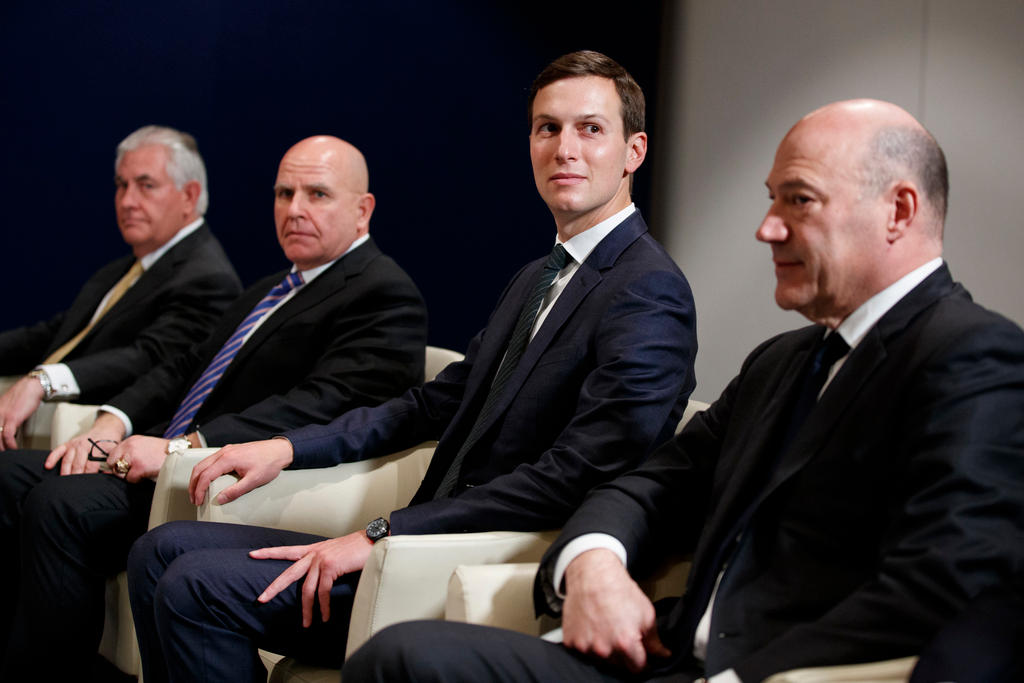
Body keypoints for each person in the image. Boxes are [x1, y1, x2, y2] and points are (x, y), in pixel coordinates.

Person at [343, 99, 1024, 683]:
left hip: (768, 671)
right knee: (401, 655)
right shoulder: (782, 361)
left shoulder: (974, 357)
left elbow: (943, 582)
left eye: (799, 200)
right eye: (771, 198)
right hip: (658, 656)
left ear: (898, 210)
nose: (767, 227)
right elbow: (650, 483)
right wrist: (597, 563)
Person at [126, 50, 698, 683]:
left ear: (634, 151)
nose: (565, 148)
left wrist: (377, 533)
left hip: (465, 561)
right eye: (547, 128)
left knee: (194, 586)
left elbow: (578, 476)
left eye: (590, 128)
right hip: (414, 538)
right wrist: (285, 448)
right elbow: (429, 403)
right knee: (159, 549)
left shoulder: (649, 292)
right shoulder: (538, 276)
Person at [0, 135, 428, 680]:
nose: (293, 209)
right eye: (283, 193)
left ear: (362, 209)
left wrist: (184, 447)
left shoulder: (384, 293)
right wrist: (113, 421)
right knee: (8, 476)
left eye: (316, 194)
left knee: (58, 503)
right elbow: (183, 368)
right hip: (160, 453)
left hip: (211, 478)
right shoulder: (271, 287)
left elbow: (325, 403)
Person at [0, 125, 242, 449]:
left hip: (97, 430)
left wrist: (44, 381)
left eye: (146, 186)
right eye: (122, 185)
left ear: (189, 196)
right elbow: (57, 333)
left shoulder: (207, 278)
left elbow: (148, 358)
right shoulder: (128, 266)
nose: (128, 201)